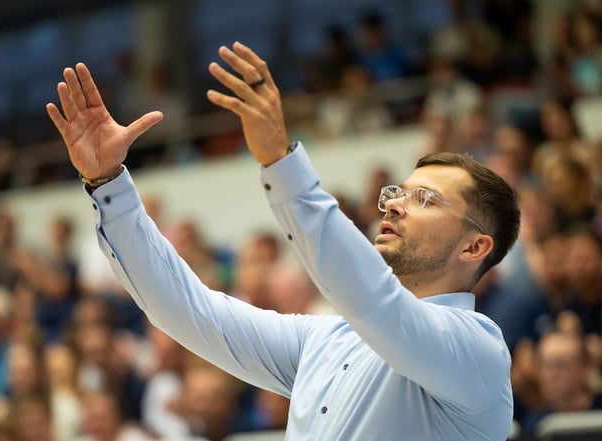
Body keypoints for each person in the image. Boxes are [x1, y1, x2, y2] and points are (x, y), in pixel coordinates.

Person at [46, 41, 520, 439]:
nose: (394, 203)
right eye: (398, 192)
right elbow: (188, 310)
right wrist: (109, 183)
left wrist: (280, 160)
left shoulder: (477, 351)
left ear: (475, 247)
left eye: (425, 199)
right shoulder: (327, 338)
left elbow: (375, 301)